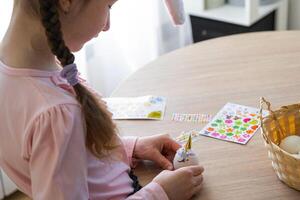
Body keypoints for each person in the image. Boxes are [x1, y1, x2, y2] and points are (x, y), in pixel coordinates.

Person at [0, 0, 204, 199]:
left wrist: (129, 148)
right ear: (66, 2)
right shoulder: (55, 113)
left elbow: (66, 157)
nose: (107, 25)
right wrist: (161, 193)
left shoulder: (18, 74)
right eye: (108, 6)